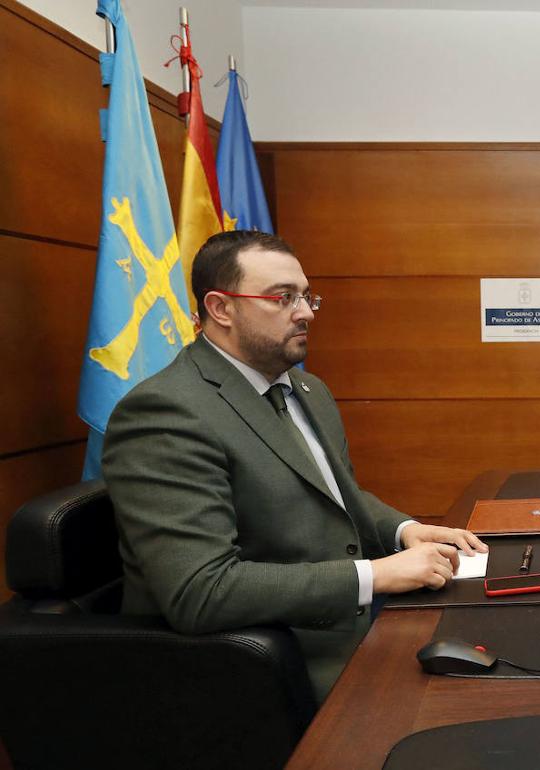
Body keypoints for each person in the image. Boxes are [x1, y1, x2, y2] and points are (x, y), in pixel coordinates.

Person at [101, 230, 489, 703]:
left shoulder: (306, 390)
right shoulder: (167, 412)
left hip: (356, 627)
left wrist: (403, 531)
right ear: (221, 309)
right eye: (283, 298)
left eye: (307, 296)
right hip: (267, 669)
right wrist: (376, 575)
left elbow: (334, 493)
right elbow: (201, 591)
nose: (305, 313)